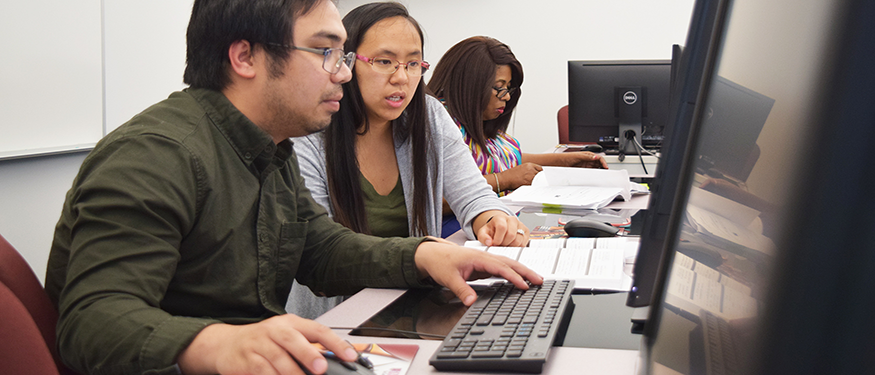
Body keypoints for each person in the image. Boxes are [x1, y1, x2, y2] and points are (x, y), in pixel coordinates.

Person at [44, 1, 541, 374]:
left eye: (343, 55)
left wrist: (423, 256)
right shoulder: (155, 155)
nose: (344, 72)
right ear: (245, 57)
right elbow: (92, 320)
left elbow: (320, 248)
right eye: (326, 52)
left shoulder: (269, 147)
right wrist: (218, 344)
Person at [286, 3, 532, 319]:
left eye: (413, 63)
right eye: (384, 61)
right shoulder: (311, 132)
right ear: (346, 63)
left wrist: (493, 218)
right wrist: (421, 257)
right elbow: (322, 252)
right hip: (335, 319)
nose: (402, 78)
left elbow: (474, 195)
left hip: (415, 305)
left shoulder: (428, 116)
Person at [427, 36, 608, 196]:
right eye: (499, 87)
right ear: (470, 85)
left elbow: (506, 158)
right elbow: (431, 199)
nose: (506, 96)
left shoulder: (478, 122)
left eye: (508, 88)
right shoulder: (440, 123)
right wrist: (504, 180)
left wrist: (567, 161)